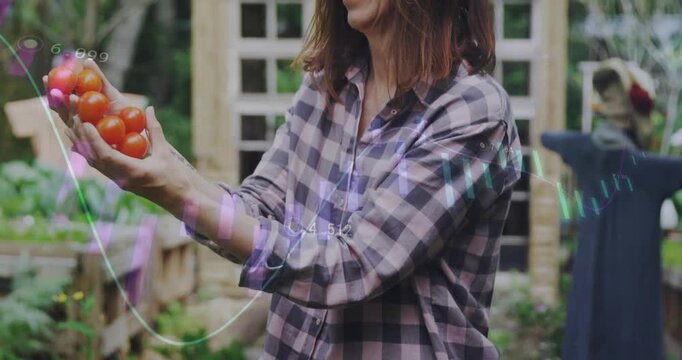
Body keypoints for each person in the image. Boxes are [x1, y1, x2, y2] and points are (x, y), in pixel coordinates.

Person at [48, 0, 521, 358]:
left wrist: (177, 194)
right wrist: (165, 163)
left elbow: (354, 266)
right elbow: (258, 209)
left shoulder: (469, 112)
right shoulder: (326, 89)